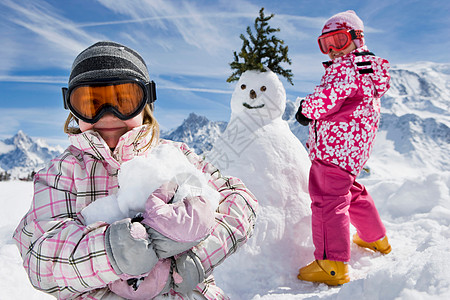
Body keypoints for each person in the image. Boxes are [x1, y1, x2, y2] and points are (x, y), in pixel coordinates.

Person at [13, 41, 258, 299]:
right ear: (72, 109)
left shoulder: (175, 155)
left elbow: (242, 201)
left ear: (146, 102)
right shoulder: (62, 174)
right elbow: (41, 261)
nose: (108, 115)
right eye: (90, 103)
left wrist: (197, 253)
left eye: (124, 100)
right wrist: (114, 252)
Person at [295, 10, 391, 285]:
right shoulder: (366, 68)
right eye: (326, 44)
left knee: (327, 199)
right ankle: (376, 239)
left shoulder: (345, 69)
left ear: (357, 38)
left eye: (339, 40)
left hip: (334, 148)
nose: (333, 50)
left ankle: (331, 264)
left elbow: (327, 97)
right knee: (350, 192)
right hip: (352, 149)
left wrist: (305, 110)